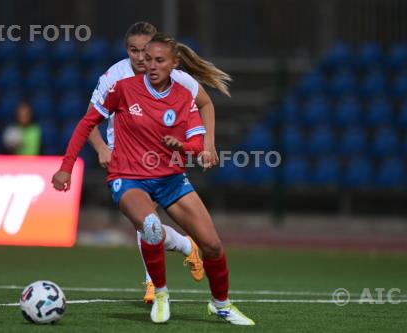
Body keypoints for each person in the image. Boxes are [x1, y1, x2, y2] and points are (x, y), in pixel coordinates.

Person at [52, 32, 255, 325]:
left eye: (159, 60)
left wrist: (186, 148)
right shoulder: (122, 88)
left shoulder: (184, 97)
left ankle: (221, 305)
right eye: (148, 60)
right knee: (150, 227)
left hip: (171, 179)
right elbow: (87, 123)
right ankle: (160, 293)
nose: (152, 65)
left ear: (174, 64)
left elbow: (197, 146)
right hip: (128, 177)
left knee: (212, 246)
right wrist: (66, 166)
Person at [87, 22, 226, 304]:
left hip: (164, 157)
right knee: (147, 222)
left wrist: (208, 144)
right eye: (133, 51)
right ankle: (177, 255)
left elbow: (206, 103)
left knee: (152, 224)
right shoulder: (115, 76)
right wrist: (102, 147)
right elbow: (90, 118)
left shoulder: (177, 78)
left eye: (147, 52)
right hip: (125, 156)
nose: (141, 58)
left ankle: (164, 277)